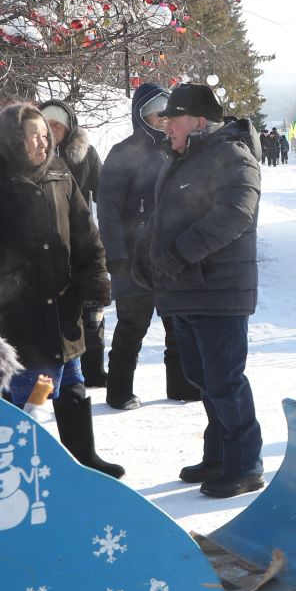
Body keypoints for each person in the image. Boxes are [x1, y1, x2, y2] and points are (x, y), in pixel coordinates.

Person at [0, 102, 118, 477]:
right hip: (13, 316)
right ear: (10, 140)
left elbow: (86, 235)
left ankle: (84, 461)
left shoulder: (59, 173)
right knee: (26, 398)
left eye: (45, 134)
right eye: (33, 136)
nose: (43, 142)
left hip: (61, 306)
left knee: (72, 386)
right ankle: (20, 471)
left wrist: (95, 280)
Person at [138, 82, 265, 497]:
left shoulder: (231, 154)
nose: (166, 127)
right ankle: (219, 455)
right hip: (187, 290)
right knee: (204, 378)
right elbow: (163, 218)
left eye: (173, 119)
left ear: (199, 121)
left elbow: (234, 215)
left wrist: (174, 255)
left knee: (225, 380)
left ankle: (245, 464)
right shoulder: (183, 157)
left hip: (219, 291)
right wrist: (146, 257)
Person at [95, 83, 197, 409]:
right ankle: (119, 391)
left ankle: (181, 385)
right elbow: (107, 211)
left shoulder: (178, 148)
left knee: (178, 326)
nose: (165, 120)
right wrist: (118, 257)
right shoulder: (123, 152)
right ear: (141, 115)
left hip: (171, 257)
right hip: (134, 257)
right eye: (158, 113)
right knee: (131, 328)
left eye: (169, 114)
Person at [37, 99, 108, 392]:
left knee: (91, 306)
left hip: (78, 236)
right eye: (48, 125)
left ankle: (93, 370)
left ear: (69, 128)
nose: (53, 131)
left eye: (59, 126)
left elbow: (103, 190)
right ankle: (55, 374)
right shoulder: (32, 155)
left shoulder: (85, 154)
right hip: (44, 243)